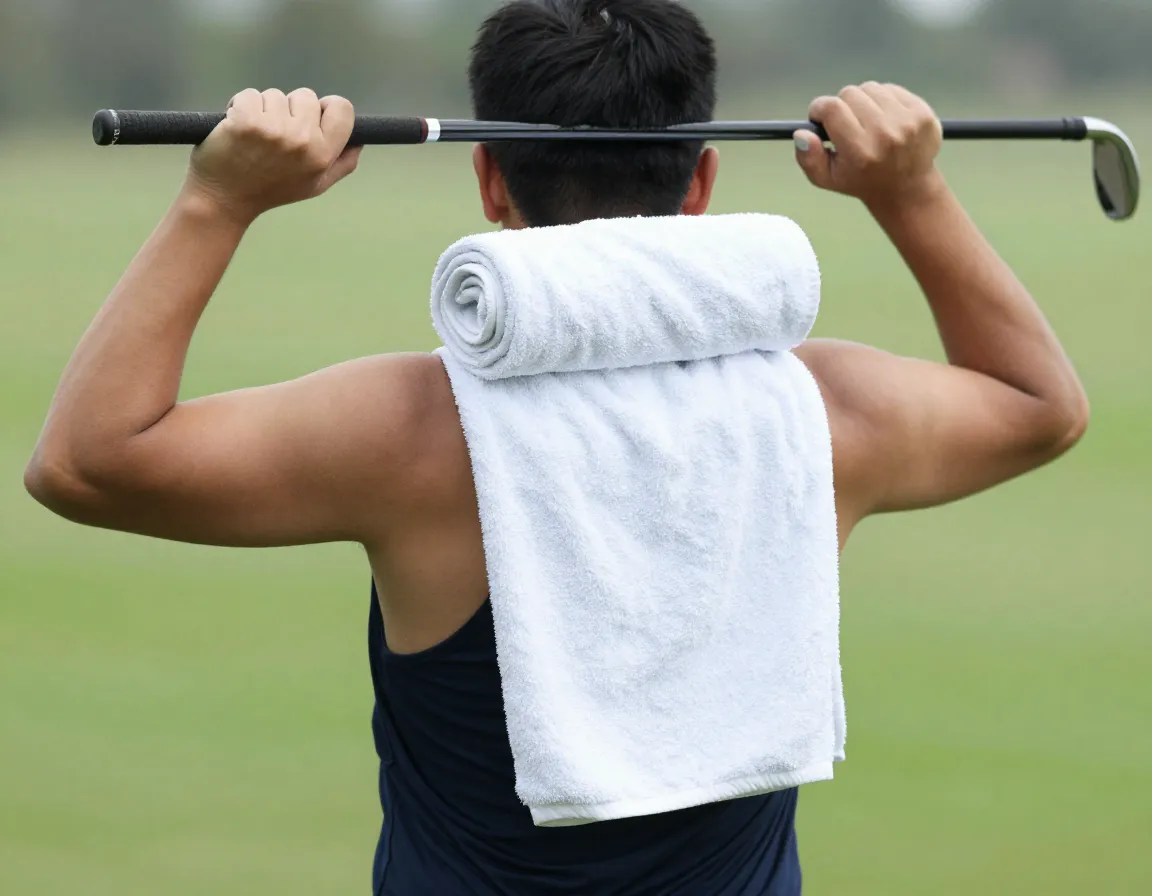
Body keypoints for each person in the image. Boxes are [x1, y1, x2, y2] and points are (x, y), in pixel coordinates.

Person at [24, 1, 1090, 893]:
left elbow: (85, 460)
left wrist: (217, 200)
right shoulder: (823, 409)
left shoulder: (410, 429)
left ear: (491, 181)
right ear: (701, 182)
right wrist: (913, 194)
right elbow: (1039, 403)